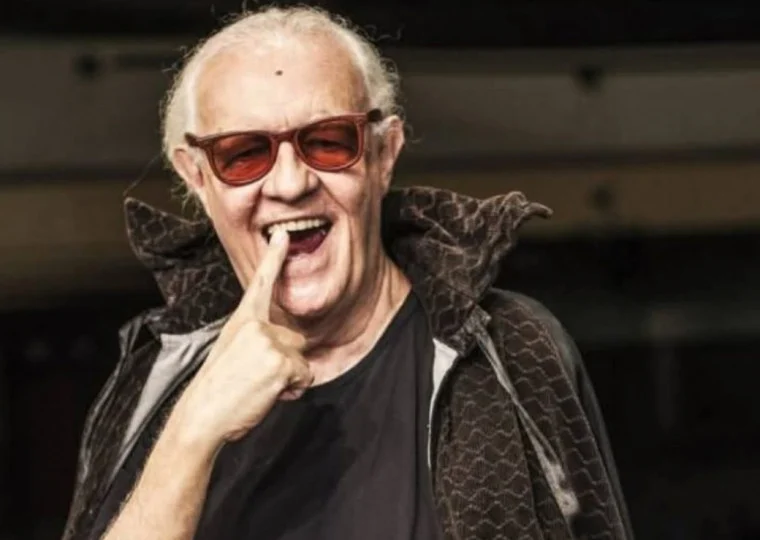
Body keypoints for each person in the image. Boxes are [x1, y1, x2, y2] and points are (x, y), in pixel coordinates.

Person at [62, 6, 633, 540]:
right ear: (196, 178)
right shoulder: (151, 379)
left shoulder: (509, 350)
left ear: (384, 154)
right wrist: (193, 432)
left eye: (328, 142)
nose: (290, 184)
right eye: (244, 154)